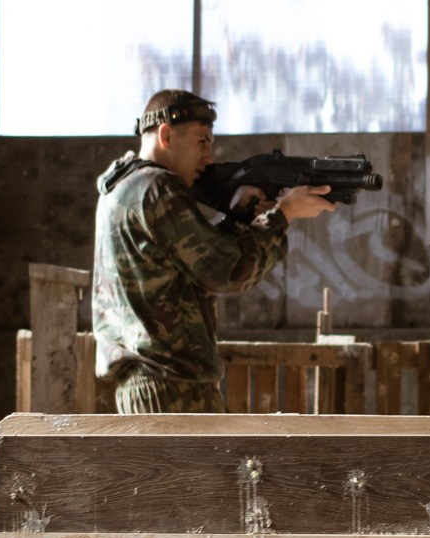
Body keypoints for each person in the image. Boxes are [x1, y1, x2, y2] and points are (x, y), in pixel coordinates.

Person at [92, 89, 335, 413]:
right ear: (166, 135)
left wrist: (239, 219)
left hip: (152, 384)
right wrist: (283, 214)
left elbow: (191, 267)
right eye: (202, 142)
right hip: (172, 388)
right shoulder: (157, 188)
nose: (208, 157)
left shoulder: (122, 186)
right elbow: (225, 272)